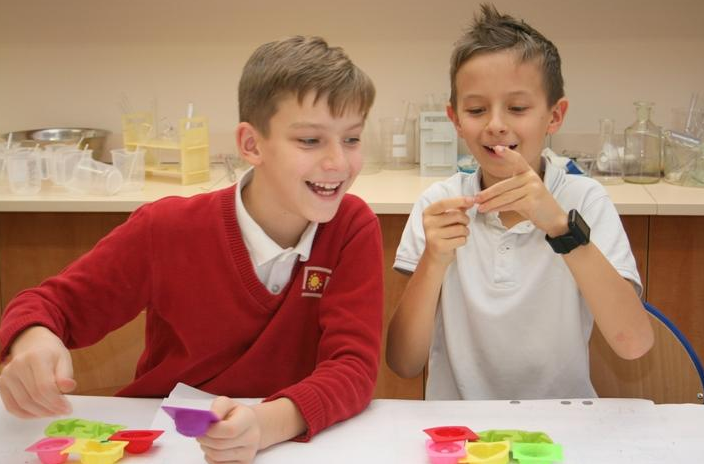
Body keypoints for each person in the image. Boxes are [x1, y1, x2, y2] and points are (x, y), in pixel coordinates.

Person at [0, 36, 383, 463]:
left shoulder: (352, 227)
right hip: (168, 443)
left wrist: (264, 425)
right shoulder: (166, 228)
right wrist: (33, 341)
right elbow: (47, 305)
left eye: (351, 139)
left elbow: (353, 367)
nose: (338, 162)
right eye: (310, 140)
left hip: (287, 446)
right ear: (251, 145)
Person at [386, 4, 653, 401]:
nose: (495, 124)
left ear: (555, 115)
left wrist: (561, 228)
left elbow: (633, 343)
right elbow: (404, 363)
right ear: (455, 119)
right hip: (462, 426)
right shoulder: (439, 204)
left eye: (517, 108)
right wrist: (433, 261)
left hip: (562, 423)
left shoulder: (585, 200)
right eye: (476, 110)